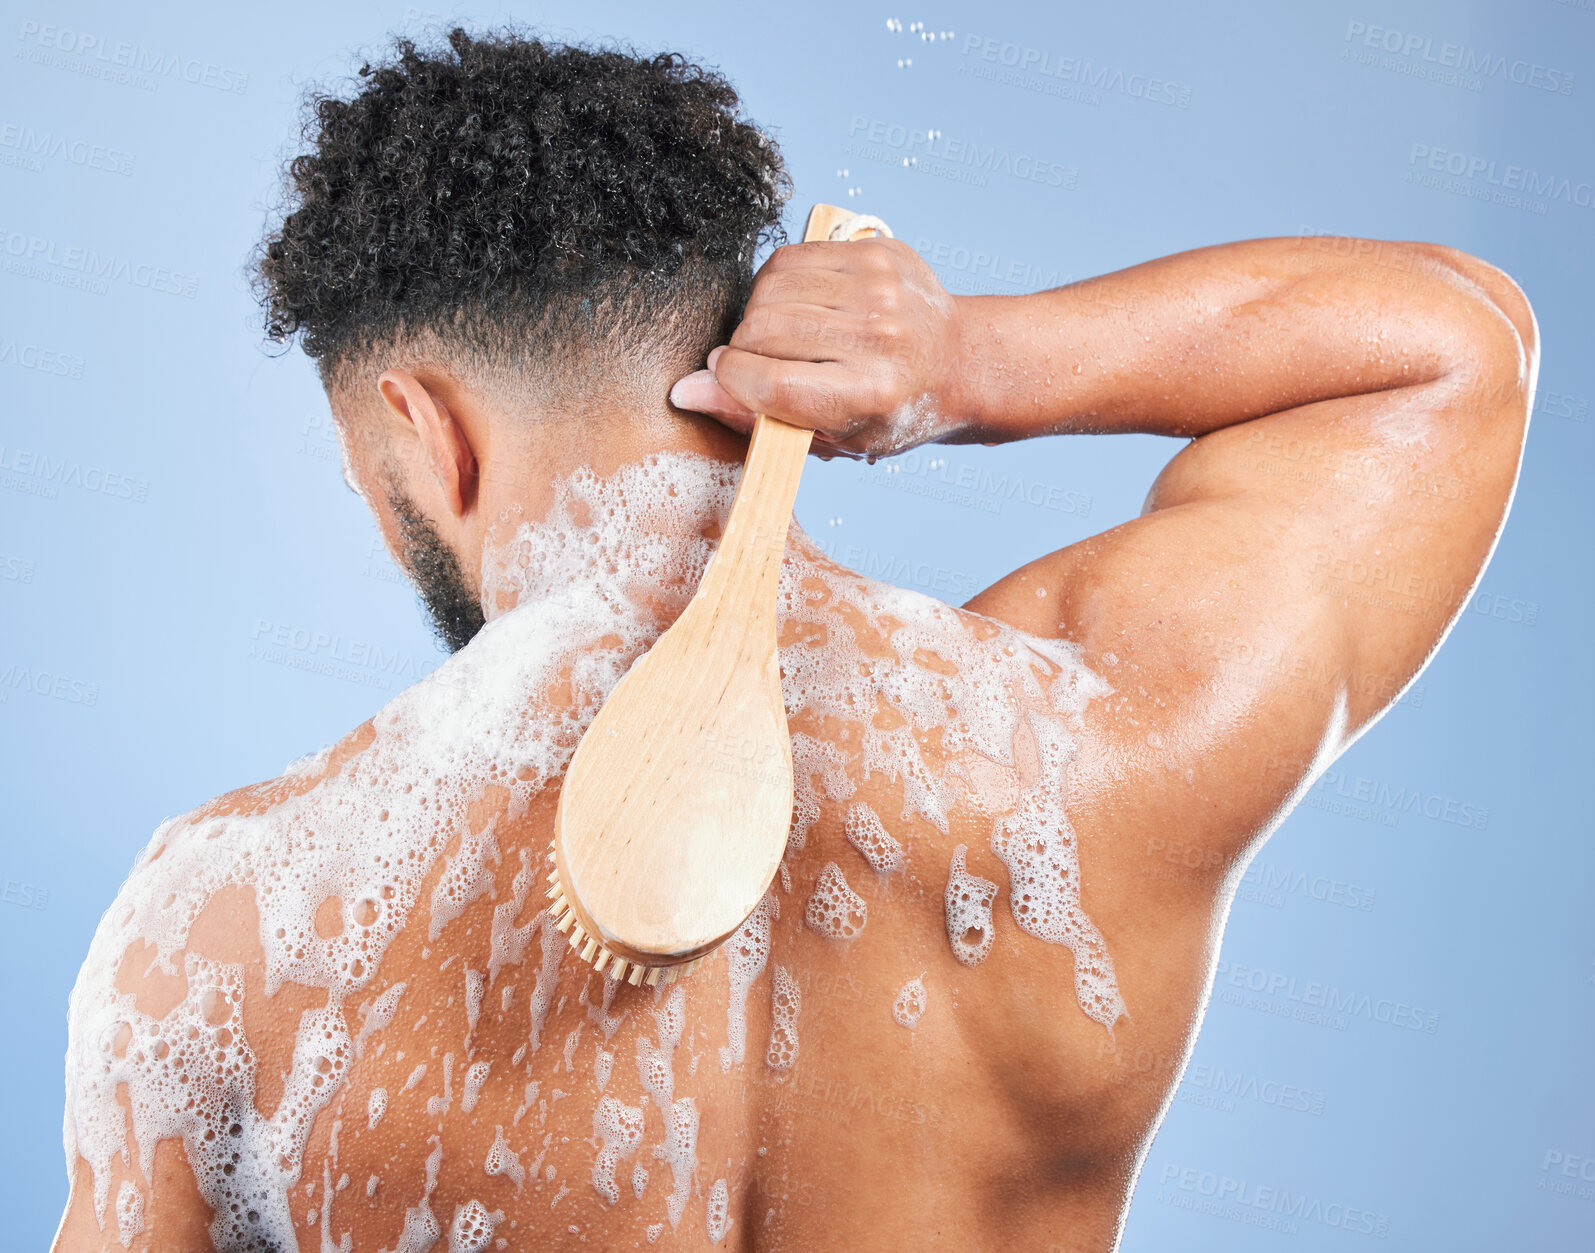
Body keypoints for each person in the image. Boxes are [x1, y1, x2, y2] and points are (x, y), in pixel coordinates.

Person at [52, 27, 1535, 1253]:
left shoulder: (222, 937)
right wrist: (977, 359)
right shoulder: (1080, 749)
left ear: (422, 438)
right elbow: (1455, 351)